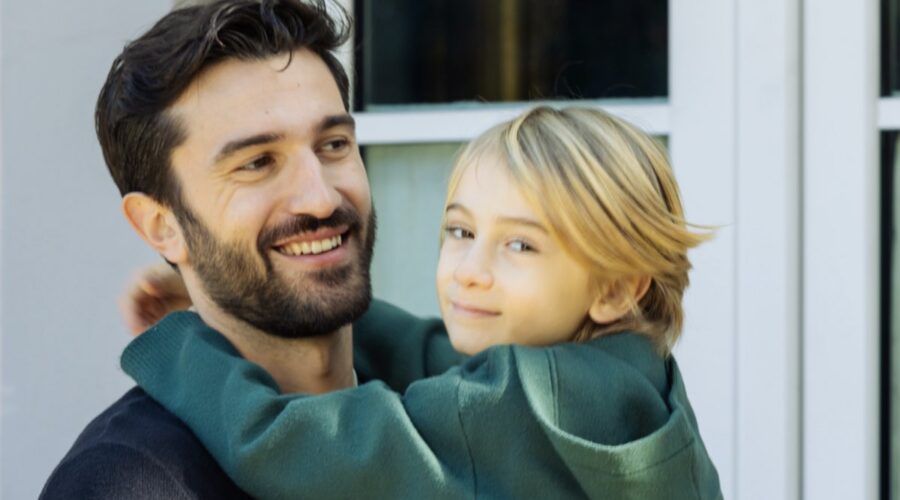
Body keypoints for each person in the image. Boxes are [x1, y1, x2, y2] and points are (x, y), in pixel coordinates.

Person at [121, 106, 723, 499]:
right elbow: (431, 354)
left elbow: (297, 450)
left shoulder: (533, 399)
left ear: (617, 286)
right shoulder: (631, 375)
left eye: (520, 244)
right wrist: (274, 297)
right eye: (461, 232)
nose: (470, 273)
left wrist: (183, 345)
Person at [42, 1, 464, 497]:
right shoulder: (131, 482)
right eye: (258, 162)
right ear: (162, 226)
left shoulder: (453, 409)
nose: (321, 197)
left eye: (333, 145)